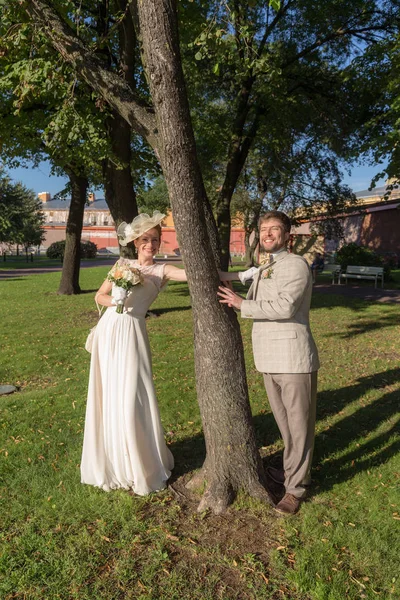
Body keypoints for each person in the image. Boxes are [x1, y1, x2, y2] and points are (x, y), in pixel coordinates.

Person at [218, 210, 320, 514]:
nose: (268, 234)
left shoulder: (296, 265)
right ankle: (291, 471)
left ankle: (296, 489)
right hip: (269, 359)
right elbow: (244, 275)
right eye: (264, 230)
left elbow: (286, 306)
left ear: (288, 236)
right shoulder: (268, 265)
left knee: (299, 426)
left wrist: (240, 304)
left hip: (293, 359)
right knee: (286, 425)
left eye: (275, 229)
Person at [81, 211, 187, 495]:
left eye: (154, 240)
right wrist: (113, 299)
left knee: (131, 396)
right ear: (136, 243)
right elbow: (99, 296)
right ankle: (113, 459)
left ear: (160, 243)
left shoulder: (162, 270)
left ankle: (139, 462)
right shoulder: (121, 264)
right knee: (109, 394)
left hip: (132, 334)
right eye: (145, 240)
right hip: (109, 331)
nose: (150, 245)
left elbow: (191, 274)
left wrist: (238, 274)